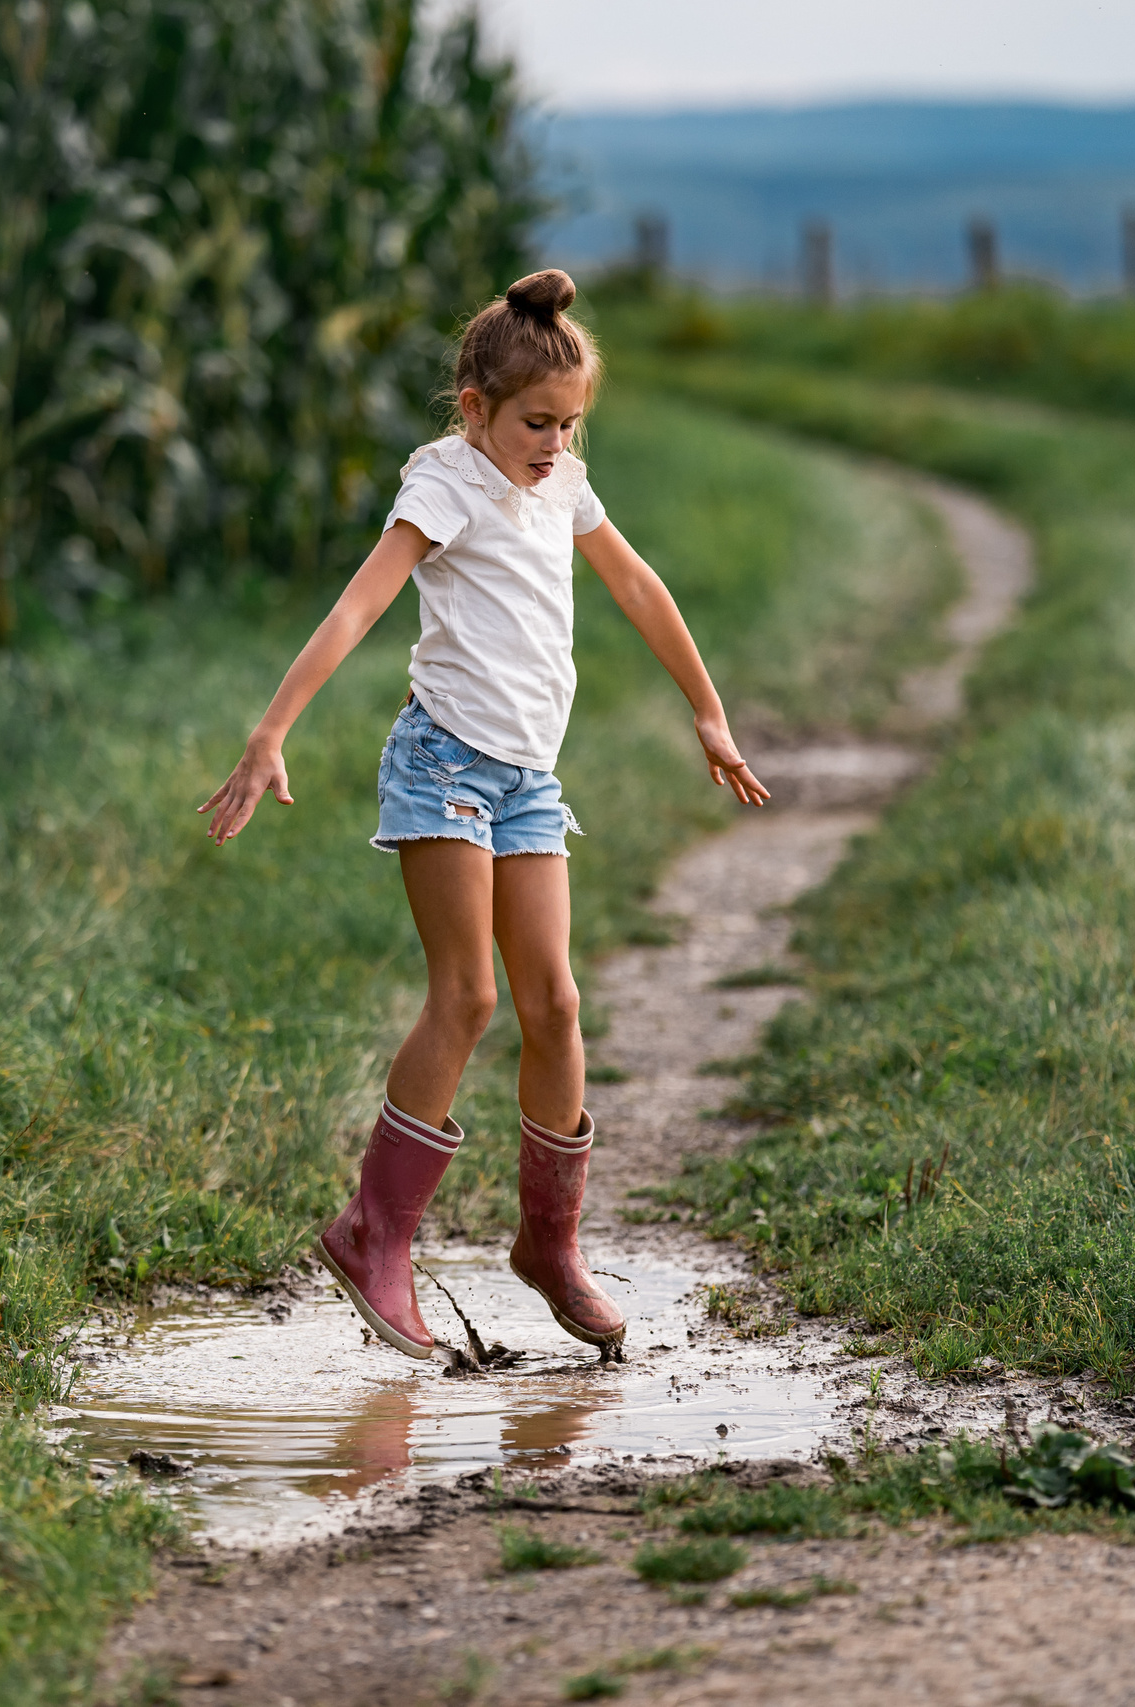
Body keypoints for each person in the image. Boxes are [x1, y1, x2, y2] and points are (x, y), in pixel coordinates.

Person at [197, 268, 769, 1362]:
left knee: (553, 1003)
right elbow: (361, 599)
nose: (553, 443)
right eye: (533, 424)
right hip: (441, 763)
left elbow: (638, 586)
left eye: (569, 424)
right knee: (464, 996)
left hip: (526, 780)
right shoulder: (444, 483)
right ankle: (374, 1233)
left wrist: (707, 712)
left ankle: (547, 1246)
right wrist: (272, 731)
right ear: (475, 410)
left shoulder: (562, 483)